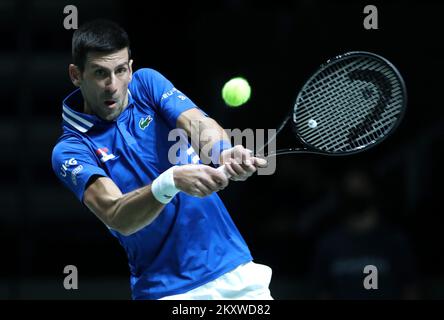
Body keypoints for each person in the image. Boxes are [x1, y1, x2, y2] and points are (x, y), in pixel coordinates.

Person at [51, 19, 273, 300]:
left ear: (130, 68)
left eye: (120, 71)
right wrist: (171, 180)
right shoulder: (71, 149)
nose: (113, 85)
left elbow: (195, 123)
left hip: (235, 273)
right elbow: (117, 215)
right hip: (166, 292)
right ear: (76, 74)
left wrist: (222, 152)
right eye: (99, 73)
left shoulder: (146, 84)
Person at [310, 167, 419, 299]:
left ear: (373, 189)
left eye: (361, 187)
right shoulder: (328, 244)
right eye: (350, 189)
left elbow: (410, 289)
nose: (355, 193)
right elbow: (323, 292)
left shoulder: (395, 241)